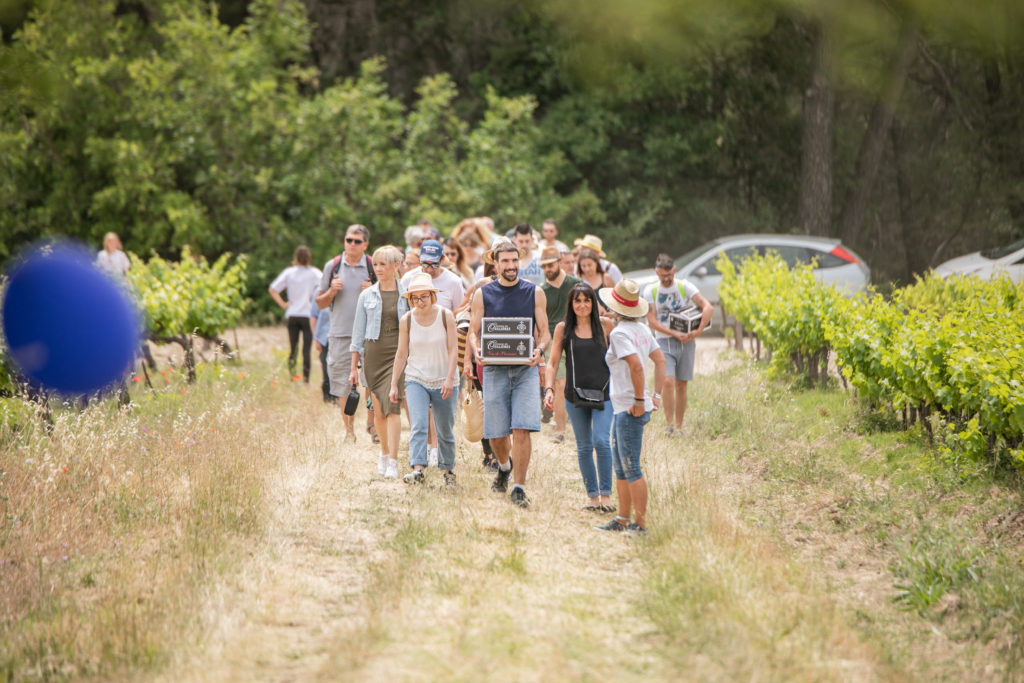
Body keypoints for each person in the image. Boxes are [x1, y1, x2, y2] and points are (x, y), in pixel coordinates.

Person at [466, 241, 550, 508]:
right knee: (496, 433)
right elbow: (472, 332)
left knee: (522, 428)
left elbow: (545, 332)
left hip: (525, 369)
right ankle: (504, 466)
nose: (511, 266)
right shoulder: (483, 294)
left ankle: (519, 487)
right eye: (505, 261)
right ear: (495, 262)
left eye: (515, 261)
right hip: (494, 370)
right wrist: (476, 349)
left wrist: (539, 349)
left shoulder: (534, 292)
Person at [595, 279, 666, 535]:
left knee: (631, 466)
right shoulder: (642, 329)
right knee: (621, 466)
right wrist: (654, 395)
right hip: (626, 406)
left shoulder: (620, 333)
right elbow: (660, 361)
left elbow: (637, 366)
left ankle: (641, 524)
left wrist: (639, 400)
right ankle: (623, 518)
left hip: (629, 408)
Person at [544, 282, 615, 511]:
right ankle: (592, 499)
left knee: (602, 441)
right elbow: (553, 362)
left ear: (594, 303)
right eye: (578, 301)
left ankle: (607, 497)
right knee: (584, 446)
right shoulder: (562, 329)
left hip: (604, 393)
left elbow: (620, 357)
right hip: (575, 395)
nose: (582, 305)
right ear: (571, 304)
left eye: (587, 300)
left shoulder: (605, 326)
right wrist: (549, 389)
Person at [390, 272, 459, 486]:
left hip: (444, 379)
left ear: (432, 295)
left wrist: (449, 378)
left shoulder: (446, 316)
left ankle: (448, 470)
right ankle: (418, 469)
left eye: (424, 297)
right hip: (416, 378)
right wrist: (394, 383)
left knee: (444, 428)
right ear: (410, 299)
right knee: (418, 425)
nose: (420, 302)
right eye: (415, 298)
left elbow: (453, 349)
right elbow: (402, 354)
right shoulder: (407, 320)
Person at [350, 246, 409, 479]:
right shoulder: (366, 296)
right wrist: (353, 369)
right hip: (373, 355)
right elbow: (357, 336)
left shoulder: (407, 294)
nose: (379, 269)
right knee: (379, 411)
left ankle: (393, 460)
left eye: (384, 264)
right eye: (376, 264)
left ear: (396, 266)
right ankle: (383, 453)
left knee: (393, 406)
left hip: (398, 355)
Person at [643, 253, 713, 436]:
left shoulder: (685, 287)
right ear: (656, 272)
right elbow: (651, 321)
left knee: (682, 384)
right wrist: (673, 332)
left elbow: (707, 307)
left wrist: (697, 331)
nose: (666, 279)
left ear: (674, 271)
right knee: (667, 381)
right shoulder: (651, 291)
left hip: (687, 341)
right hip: (664, 340)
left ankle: (680, 426)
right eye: (662, 276)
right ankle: (669, 425)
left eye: (669, 275)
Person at [316, 224, 375, 442]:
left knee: (371, 382)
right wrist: (332, 291)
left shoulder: (372, 266)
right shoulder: (332, 266)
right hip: (340, 333)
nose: (351, 244)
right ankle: (349, 432)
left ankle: (372, 424)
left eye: (357, 241)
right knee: (341, 383)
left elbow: (387, 300)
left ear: (365, 244)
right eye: (348, 240)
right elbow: (320, 303)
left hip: (369, 334)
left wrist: (371, 291)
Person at [539, 246, 580, 442]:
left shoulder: (575, 284)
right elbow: (540, 323)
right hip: (553, 339)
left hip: (576, 336)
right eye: (544, 266)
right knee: (559, 382)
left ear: (560, 262)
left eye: (551, 264)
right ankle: (561, 431)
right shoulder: (541, 291)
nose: (548, 269)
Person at [269, 245, 322, 383]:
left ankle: (292, 377)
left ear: (296, 258)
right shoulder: (314, 273)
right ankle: (306, 379)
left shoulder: (289, 272)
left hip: (292, 314)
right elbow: (324, 286)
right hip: (308, 314)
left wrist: (283, 304)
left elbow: (273, 289)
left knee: (293, 348)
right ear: (309, 258)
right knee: (306, 349)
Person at [311, 295, 335, 404]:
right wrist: (315, 338)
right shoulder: (319, 292)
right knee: (326, 369)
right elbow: (313, 316)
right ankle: (328, 398)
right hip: (324, 338)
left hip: (340, 338)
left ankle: (339, 397)